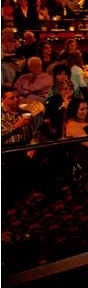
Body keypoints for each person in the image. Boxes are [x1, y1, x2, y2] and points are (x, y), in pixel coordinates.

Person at [1, 86, 42, 221]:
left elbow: (35, 133)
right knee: (22, 165)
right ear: (3, 100)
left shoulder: (25, 112)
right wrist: (15, 126)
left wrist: (33, 146)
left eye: (17, 97)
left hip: (25, 146)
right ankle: (20, 201)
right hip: (7, 148)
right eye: (11, 98)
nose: (15, 100)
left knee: (46, 155)